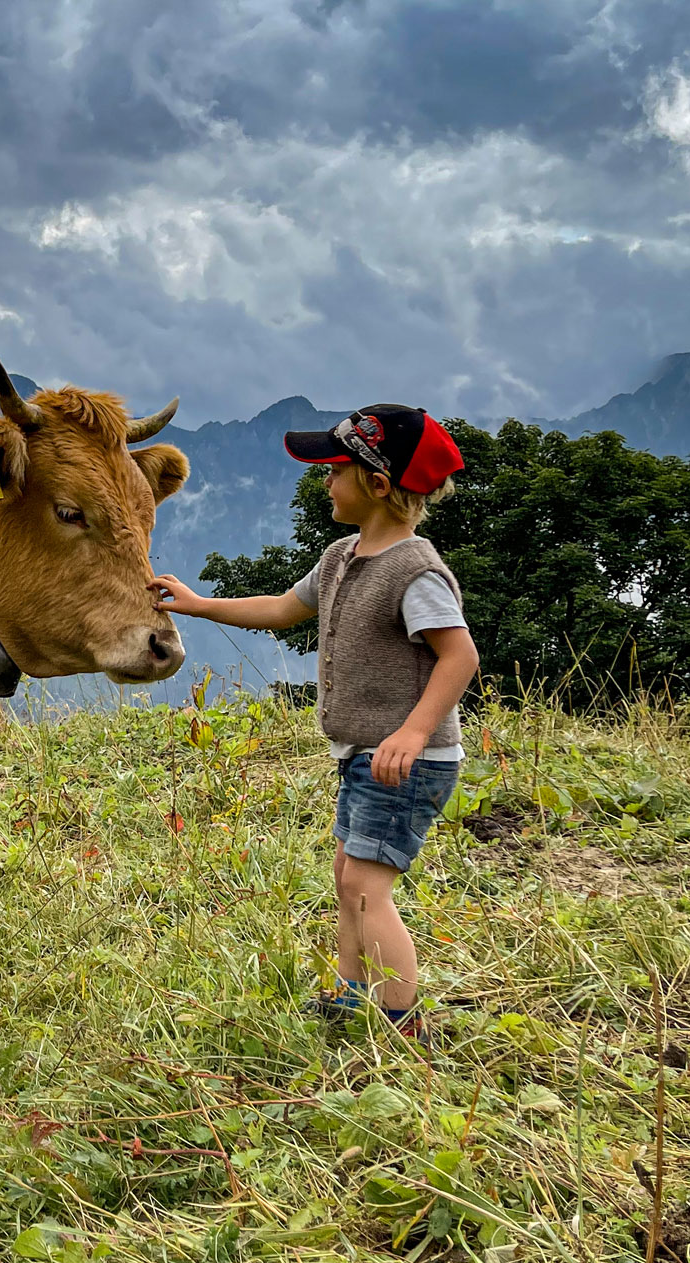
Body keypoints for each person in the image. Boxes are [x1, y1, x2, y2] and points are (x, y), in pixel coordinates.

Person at [151, 405, 477, 1037]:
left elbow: (459, 657)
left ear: (378, 485)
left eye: (334, 471)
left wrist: (412, 732)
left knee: (364, 887)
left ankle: (399, 1020)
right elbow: (281, 608)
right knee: (347, 875)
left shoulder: (416, 572)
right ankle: (353, 994)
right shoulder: (339, 557)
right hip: (364, 756)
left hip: (408, 760)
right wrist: (197, 605)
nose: (323, 481)